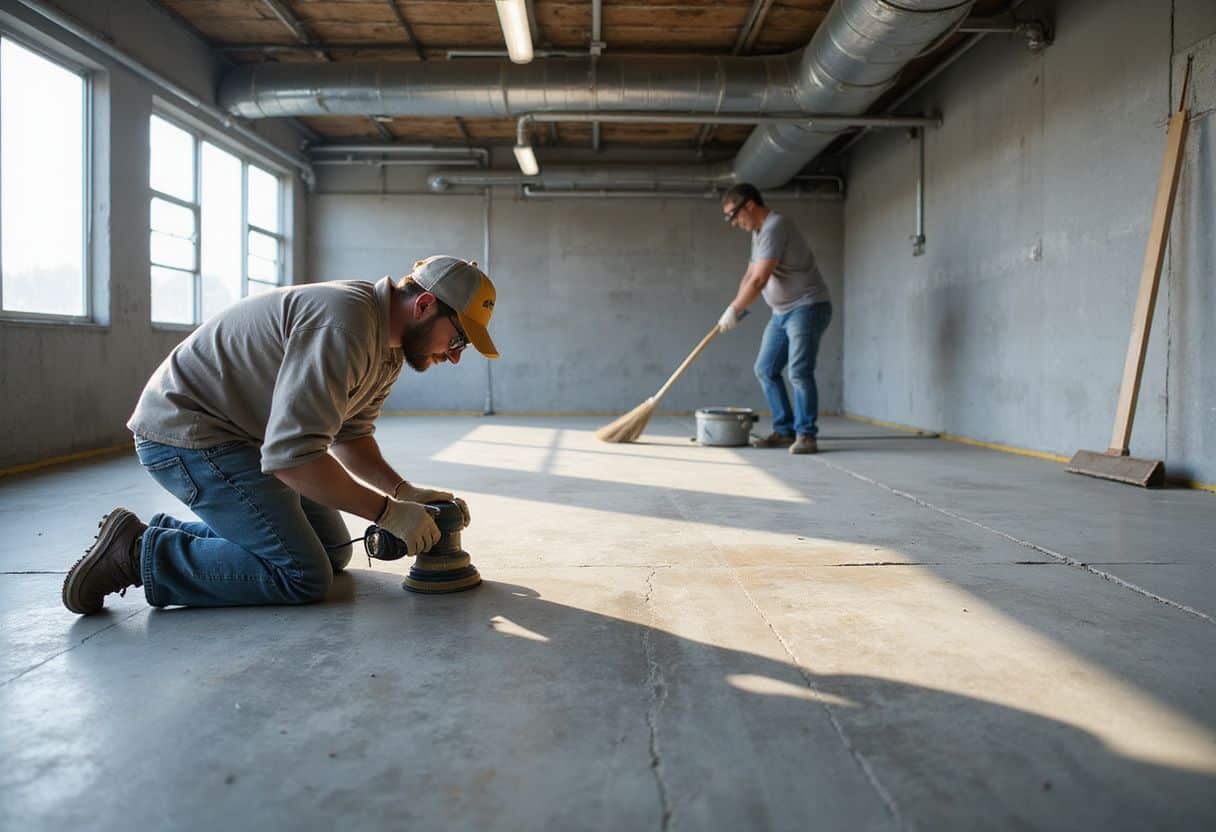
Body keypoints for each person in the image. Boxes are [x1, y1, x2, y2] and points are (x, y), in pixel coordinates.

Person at [62, 255, 499, 614]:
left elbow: (350, 435)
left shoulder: (389, 348)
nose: (455, 357)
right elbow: (293, 457)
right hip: (188, 434)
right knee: (301, 575)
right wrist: (387, 513)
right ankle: (136, 554)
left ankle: (157, 534)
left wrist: (403, 492)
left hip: (243, 439)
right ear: (424, 306)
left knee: (331, 550)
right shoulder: (345, 325)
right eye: (458, 340)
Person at [718, 183, 832, 454]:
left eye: (733, 215)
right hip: (782, 313)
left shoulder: (775, 227)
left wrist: (736, 309)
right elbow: (748, 276)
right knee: (766, 369)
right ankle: (784, 431)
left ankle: (806, 435)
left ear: (749, 205)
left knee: (799, 372)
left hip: (807, 307)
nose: (734, 223)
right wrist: (734, 308)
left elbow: (759, 279)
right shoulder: (758, 232)